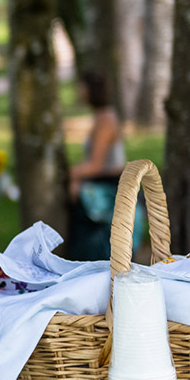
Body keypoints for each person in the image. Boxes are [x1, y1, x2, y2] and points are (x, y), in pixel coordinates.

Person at [65, 70, 128, 260]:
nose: (79, 92)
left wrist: (67, 176)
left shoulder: (105, 120)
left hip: (107, 185)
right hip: (102, 179)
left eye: (82, 88)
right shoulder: (102, 116)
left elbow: (96, 165)